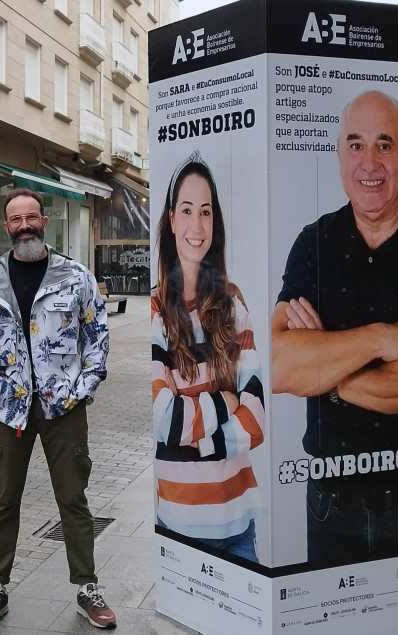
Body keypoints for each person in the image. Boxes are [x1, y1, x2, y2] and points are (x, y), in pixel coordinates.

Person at [0, 188, 115, 629]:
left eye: (31, 217)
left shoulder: (74, 277)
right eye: (15, 220)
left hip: (63, 407)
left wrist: (82, 388)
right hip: (10, 411)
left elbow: (97, 335)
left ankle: (87, 588)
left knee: (73, 500)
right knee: (4, 499)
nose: (24, 225)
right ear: (6, 228)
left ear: (44, 222)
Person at [272, 90, 398, 563]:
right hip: (331, 503)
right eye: (355, 144)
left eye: (385, 144)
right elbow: (278, 366)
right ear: (339, 156)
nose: (368, 162)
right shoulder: (313, 244)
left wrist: (325, 368)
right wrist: (383, 338)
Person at [151, 151, 265, 562]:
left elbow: (257, 421)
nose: (197, 226)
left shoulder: (233, 305)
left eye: (206, 211)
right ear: (171, 220)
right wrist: (225, 401)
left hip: (239, 526)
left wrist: (196, 444)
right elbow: (163, 420)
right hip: (178, 525)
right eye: (187, 211)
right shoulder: (156, 311)